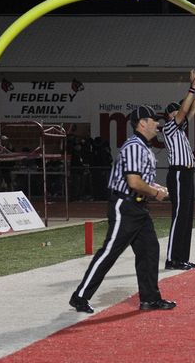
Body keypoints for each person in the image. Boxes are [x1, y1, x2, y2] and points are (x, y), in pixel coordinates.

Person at [69, 105, 176, 313]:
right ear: (142, 123)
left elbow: (140, 180)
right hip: (125, 205)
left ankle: (150, 299)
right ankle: (80, 296)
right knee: (109, 252)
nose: (157, 124)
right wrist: (155, 193)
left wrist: (155, 187)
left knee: (149, 251)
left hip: (137, 206)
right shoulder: (135, 146)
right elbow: (134, 182)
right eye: (153, 120)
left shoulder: (142, 146)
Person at [161, 70, 195, 271]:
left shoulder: (179, 129)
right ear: (171, 114)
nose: (183, 113)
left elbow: (192, 111)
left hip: (187, 174)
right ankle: (172, 259)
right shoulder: (169, 127)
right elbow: (184, 111)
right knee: (179, 215)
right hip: (178, 173)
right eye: (178, 111)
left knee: (186, 216)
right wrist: (192, 88)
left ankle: (182, 258)